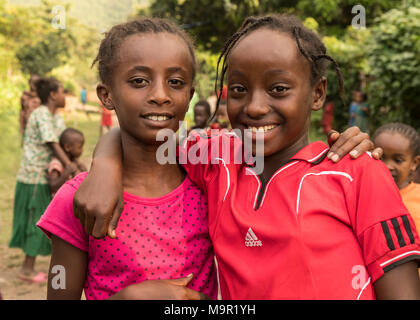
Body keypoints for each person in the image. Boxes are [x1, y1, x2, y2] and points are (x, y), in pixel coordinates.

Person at [69, 15, 420, 300]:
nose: (254, 106)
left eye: (278, 89)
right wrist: (103, 166)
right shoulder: (214, 159)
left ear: (317, 93)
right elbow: (146, 135)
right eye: (238, 89)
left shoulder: (357, 171)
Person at [37, 18, 217, 300]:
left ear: (189, 96)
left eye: (175, 82)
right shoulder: (80, 199)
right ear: (106, 95)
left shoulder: (212, 183)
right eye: (139, 81)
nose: (160, 95)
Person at [10, 77, 73, 283]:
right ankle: (27, 270)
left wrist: (76, 164)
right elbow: (53, 144)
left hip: (47, 176)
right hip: (34, 177)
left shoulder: (57, 118)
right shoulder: (41, 115)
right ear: (53, 95)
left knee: (44, 219)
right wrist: (71, 167)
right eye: (63, 91)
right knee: (34, 220)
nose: (65, 96)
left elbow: (65, 146)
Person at [372, 123, 420, 233]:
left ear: (414, 163)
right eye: (380, 158)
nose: (388, 166)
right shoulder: (362, 194)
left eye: (398, 160)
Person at [48, 128, 87, 194]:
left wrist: (81, 167)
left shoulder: (73, 161)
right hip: (59, 201)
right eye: (80, 147)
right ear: (67, 147)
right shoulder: (56, 164)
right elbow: (52, 185)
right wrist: (67, 172)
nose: (82, 150)